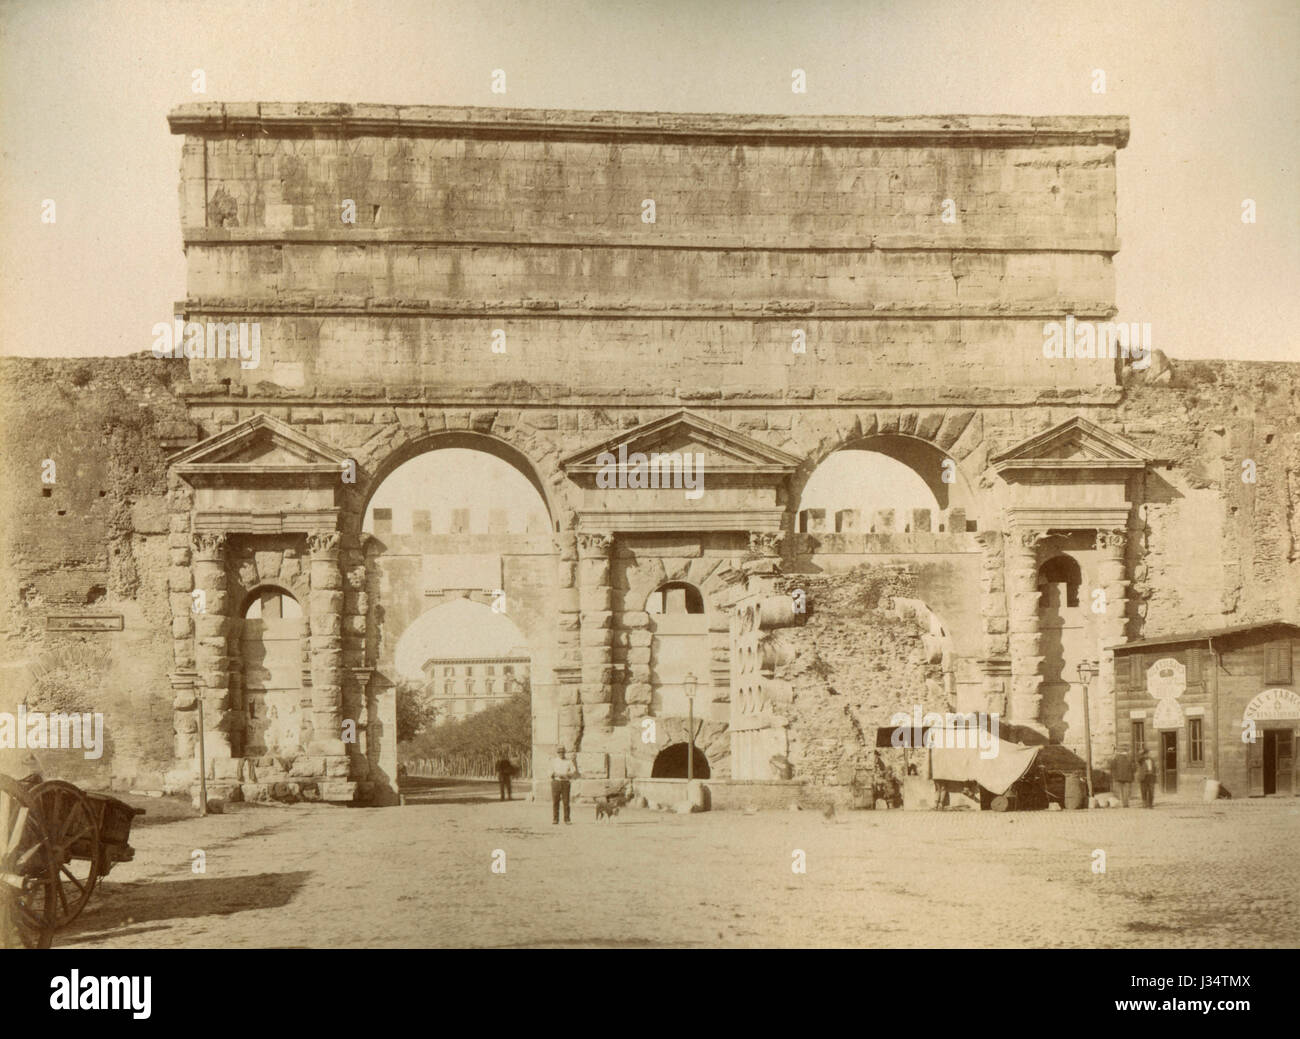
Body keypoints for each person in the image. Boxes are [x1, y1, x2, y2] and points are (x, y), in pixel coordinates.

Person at [549, 745, 578, 824]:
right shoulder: (553, 761)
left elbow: (573, 771)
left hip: (565, 782)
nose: (561, 754)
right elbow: (550, 772)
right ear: (557, 753)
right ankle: (555, 819)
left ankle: (567, 819)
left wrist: (567, 774)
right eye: (559, 752)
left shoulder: (569, 761)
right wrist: (557, 775)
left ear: (564, 752)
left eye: (562, 752)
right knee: (555, 801)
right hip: (556, 782)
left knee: (566, 802)